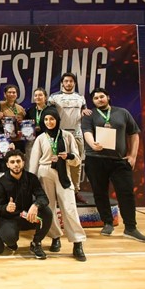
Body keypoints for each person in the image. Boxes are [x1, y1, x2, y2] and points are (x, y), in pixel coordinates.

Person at [82, 88, 145, 243]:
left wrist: (132, 156)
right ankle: (107, 223)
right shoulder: (89, 115)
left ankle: (130, 228)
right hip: (96, 159)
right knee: (100, 192)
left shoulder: (123, 113)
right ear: (93, 101)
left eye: (101, 96)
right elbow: (86, 132)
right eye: (96, 98)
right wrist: (93, 144)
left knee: (126, 193)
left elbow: (133, 134)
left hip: (119, 160)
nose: (99, 100)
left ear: (108, 97)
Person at [29, 109, 87, 261]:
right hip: (44, 172)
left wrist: (68, 156)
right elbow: (34, 161)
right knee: (49, 208)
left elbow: (77, 160)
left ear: (57, 120)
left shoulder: (67, 136)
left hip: (63, 173)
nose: (49, 122)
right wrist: (31, 181)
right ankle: (55, 237)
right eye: (46, 119)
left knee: (70, 207)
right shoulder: (41, 138)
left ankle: (78, 242)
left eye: (52, 119)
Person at [0, 150, 53, 259]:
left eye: (18, 161)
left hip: (28, 216)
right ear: (7, 164)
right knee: (8, 237)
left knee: (47, 213)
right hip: (10, 218)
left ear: (23, 162)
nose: (16, 164)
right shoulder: (0, 182)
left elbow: (43, 197)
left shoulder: (32, 178)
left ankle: (36, 243)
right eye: (12, 162)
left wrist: (36, 205)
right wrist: (6, 208)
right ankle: (11, 243)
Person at [48, 73, 92, 203]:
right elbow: (49, 114)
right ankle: (58, 192)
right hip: (60, 134)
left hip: (76, 134)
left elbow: (84, 110)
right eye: (66, 81)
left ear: (74, 83)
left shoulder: (80, 97)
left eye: (71, 81)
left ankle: (75, 191)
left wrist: (84, 111)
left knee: (76, 163)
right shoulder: (53, 97)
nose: (68, 83)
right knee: (57, 163)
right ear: (62, 83)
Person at [24, 87, 55, 165]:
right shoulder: (30, 111)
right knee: (31, 163)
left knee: (44, 162)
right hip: (32, 140)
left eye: (40, 95)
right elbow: (25, 125)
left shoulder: (51, 110)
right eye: (36, 95)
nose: (38, 97)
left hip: (46, 139)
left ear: (45, 97)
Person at [0, 84, 26, 150]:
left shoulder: (20, 108)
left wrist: (21, 121)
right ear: (5, 94)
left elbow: (24, 124)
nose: (12, 94)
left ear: (17, 95)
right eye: (9, 92)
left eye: (14, 92)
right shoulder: (0, 105)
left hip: (18, 139)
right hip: (5, 139)